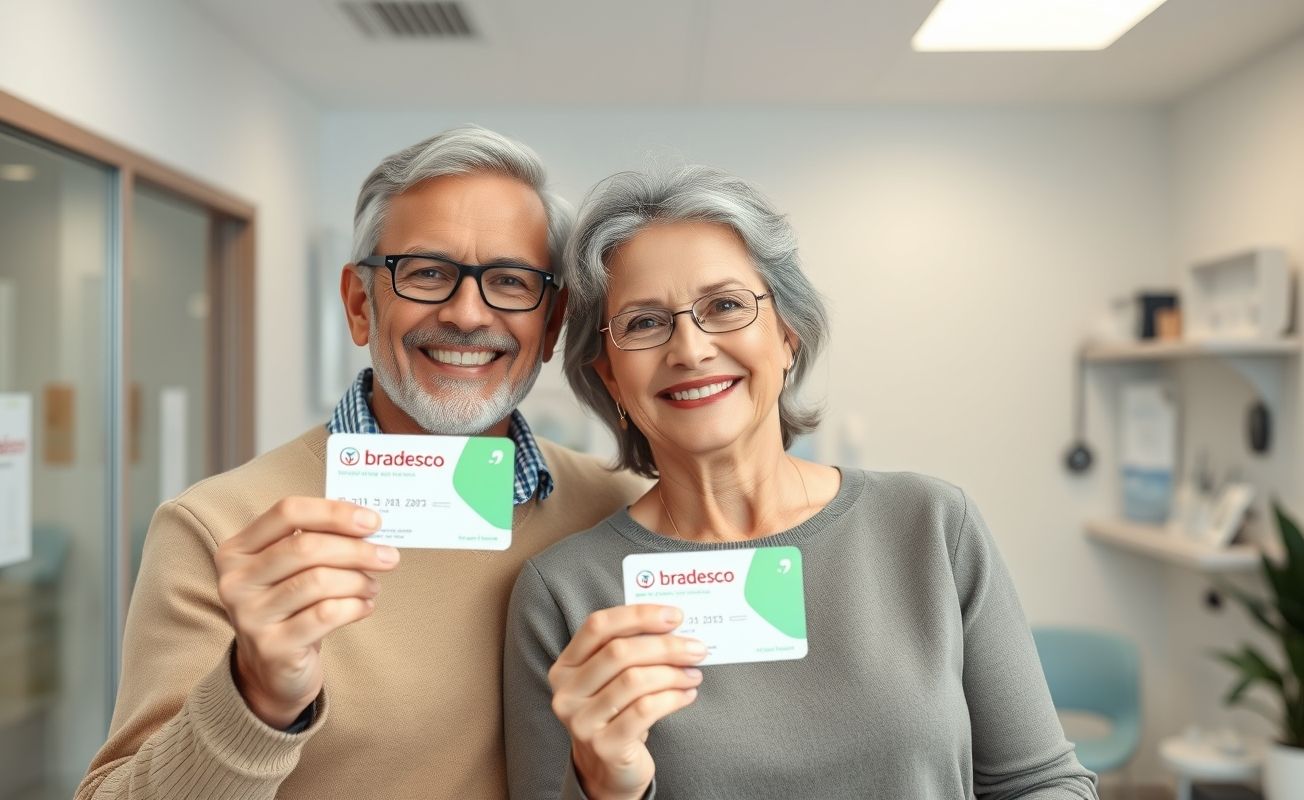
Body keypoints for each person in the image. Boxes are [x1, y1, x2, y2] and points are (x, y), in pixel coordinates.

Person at [77, 126, 645, 800]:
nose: (467, 313)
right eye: (428, 273)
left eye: (510, 280)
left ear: (551, 325)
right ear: (358, 304)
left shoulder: (620, 514)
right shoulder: (220, 528)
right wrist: (254, 696)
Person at [503, 166, 1099, 799]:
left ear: (786, 335)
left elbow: (1044, 783)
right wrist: (605, 786)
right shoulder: (565, 593)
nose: (690, 348)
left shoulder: (930, 524)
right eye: (644, 323)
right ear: (610, 376)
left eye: (725, 306)